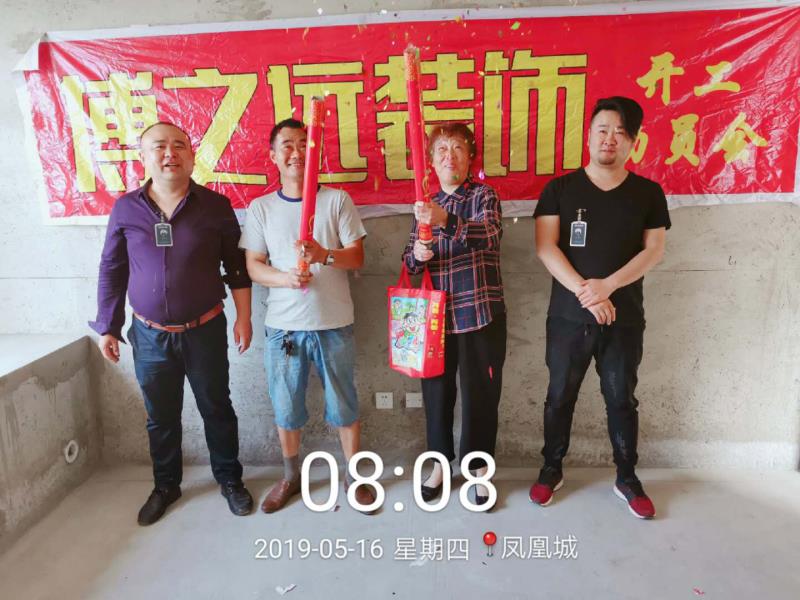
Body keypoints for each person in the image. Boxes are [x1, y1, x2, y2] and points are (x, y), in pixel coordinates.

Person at [90, 121, 254, 525]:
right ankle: (166, 485)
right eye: (159, 146)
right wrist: (108, 326)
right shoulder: (126, 209)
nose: (170, 154)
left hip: (205, 330)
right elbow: (112, 268)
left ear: (192, 156)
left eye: (179, 145)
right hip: (149, 335)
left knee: (217, 407)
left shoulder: (215, 206)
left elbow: (236, 268)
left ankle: (230, 479)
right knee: (160, 416)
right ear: (143, 157)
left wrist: (244, 317)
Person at [530, 96, 671, 519]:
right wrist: (586, 293)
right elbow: (545, 247)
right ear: (588, 135)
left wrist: (608, 286)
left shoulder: (648, 193)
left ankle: (627, 477)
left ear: (633, 142)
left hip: (623, 317)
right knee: (559, 396)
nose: (610, 138)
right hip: (568, 317)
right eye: (603, 129)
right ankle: (551, 469)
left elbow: (654, 251)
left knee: (621, 398)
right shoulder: (559, 190)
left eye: (621, 132)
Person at [239, 118, 376, 514]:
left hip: (334, 324)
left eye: (304, 144)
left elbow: (357, 257)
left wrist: (324, 255)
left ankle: (354, 476)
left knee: (344, 405)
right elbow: (253, 266)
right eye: (287, 145)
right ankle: (290, 476)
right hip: (283, 328)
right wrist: (285, 278)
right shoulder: (261, 208)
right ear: (273, 156)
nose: (297, 152)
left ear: (316, 152)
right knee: (286, 408)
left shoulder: (337, 201)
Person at [401, 122, 506, 508]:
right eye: (442, 149)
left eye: (458, 148)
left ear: (470, 156)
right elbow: (409, 260)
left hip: (479, 313)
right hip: (435, 319)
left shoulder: (483, 195)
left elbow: (490, 235)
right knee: (436, 396)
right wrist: (418, 254)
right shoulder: (424, 204)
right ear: (431, 161)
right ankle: (439, 465)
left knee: (481, 397)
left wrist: (445, 220)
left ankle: (478, 470)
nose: (450, 156)